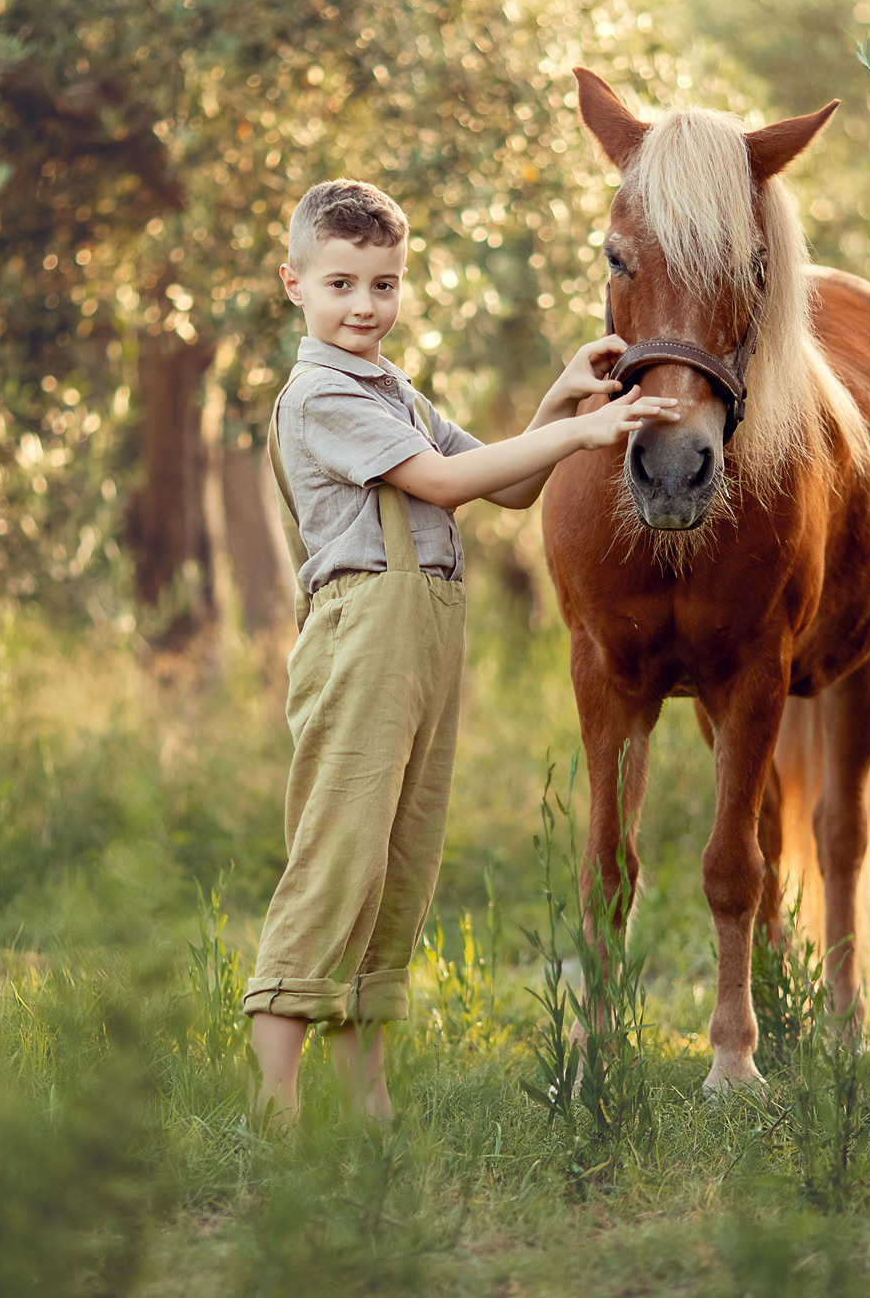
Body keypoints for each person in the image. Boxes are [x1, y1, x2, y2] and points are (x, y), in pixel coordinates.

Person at [242, 178, 675, 1124]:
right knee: (338, 856)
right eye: (342, 284)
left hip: (424, 631)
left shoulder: (392, 388)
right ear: (295, 285)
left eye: (385, 284)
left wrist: (561, 398)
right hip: (362, 631)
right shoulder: (318, 396)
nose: (365, 305)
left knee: (401, 864)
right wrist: (586, 428)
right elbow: (441, 481)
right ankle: (270, 1107)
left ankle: (369, 1103)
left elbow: (506, 486)